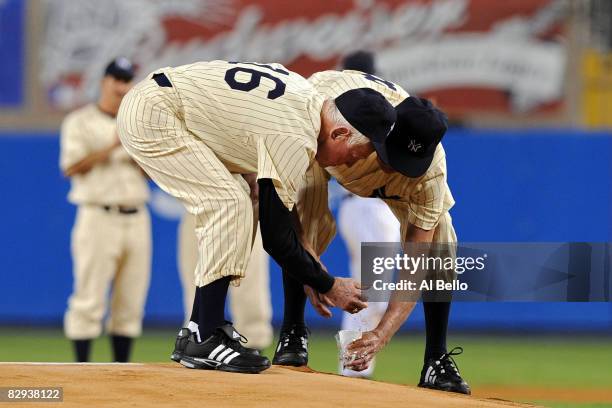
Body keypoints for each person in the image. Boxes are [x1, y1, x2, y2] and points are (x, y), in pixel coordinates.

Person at [116, 60, 397, 374]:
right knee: (228, 201)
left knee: (241, 196)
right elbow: (276, 238)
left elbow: (282, 214)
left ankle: (200, 328)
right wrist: (329, 284)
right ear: (341, 133)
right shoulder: (298, 134)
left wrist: (312, 268)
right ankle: (204, 334)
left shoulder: (305, 102)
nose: (352, 161)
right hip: (155, 113)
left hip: (165, 103)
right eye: (358, 152)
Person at [276, 68, 471, 394]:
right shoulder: (330, 107)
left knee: (442, 238)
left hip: (395, 188)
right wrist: (311, 270)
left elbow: (415, 262)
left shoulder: (431, 173)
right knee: (304, 205)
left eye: (408, 160)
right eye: (394, 154)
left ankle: (436, 358)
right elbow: (286, 206)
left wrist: (383, 332)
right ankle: (293, 332)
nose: (393, 164)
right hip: (329, 152)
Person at [60, 57, 151, 363]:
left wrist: (138, 152)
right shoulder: (80, 121)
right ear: (104, 82)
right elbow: (71, 167)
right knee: (89, 298)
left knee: (130, 300)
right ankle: (82, 370)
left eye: (127, 80)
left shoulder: (138, 125)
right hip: (97, 215)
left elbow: (154, 173)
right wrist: (112, 146)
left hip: (137, 216)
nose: (122, 86)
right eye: (117, 79)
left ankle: (120, 373)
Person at [178, 214, 273, 352]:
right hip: (199, 214)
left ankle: (253, 354)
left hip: (245, 213)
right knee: (197, 294)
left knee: (250, 297)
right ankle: (198, 345)